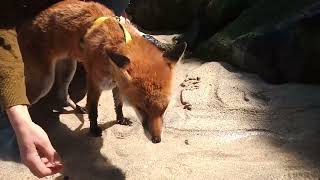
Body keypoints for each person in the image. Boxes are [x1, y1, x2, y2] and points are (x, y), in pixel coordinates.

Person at [0, 0, 134, 178]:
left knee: (69, 69)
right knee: (42, 84)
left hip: (71, 30)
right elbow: (4, 26)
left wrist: (124, 25)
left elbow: (116, 9)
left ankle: (61, 97)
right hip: (36, 31)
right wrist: (20, 119)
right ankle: (8, 120)